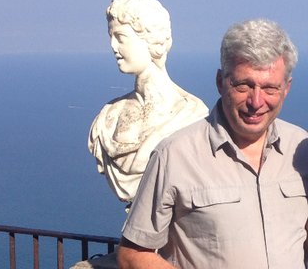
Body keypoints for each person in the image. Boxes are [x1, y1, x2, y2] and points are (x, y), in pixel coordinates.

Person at [117, 18, 308, 269]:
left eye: (270, 88)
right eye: (244, 85)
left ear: (286, 88)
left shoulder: (301, 150)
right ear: (220, 82)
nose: (256, 101)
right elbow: (133, 254)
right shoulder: (174, 155)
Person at [88, 0, 208, 202]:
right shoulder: (108, 117)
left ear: (151, 41)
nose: (113, 46)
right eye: (111, 37)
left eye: (120, 37)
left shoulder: (192, 116)